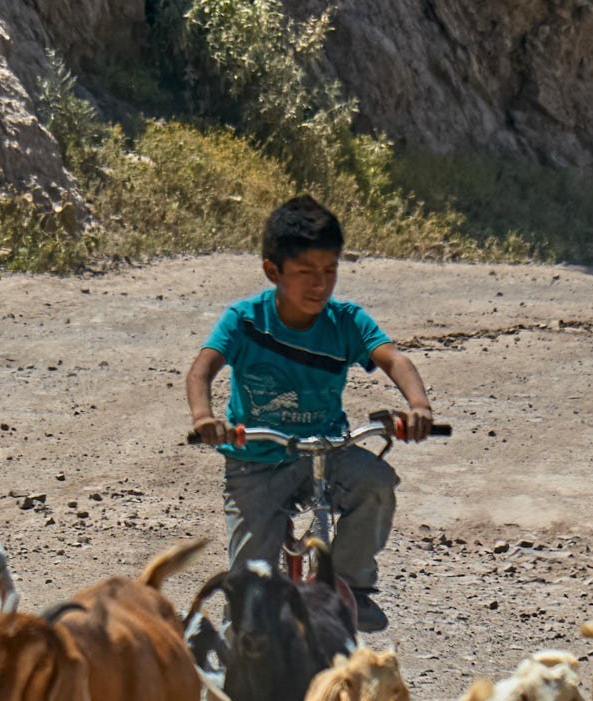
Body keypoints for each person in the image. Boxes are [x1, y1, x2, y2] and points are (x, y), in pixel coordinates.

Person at [185, 194, 433, 632]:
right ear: (272, 271)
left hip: (326, 447)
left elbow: (395, 360)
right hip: (257, 460)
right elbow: (202, 369)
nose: (320, 284)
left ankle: (350, 585)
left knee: (375, 486)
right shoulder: (245, 320)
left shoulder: (347, 321)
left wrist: (418, 406)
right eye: (305, 273)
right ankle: (232, 666)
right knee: (250, 590)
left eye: (330, 271)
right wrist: (205, 418)